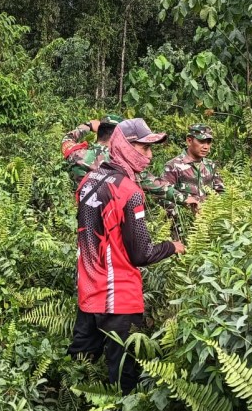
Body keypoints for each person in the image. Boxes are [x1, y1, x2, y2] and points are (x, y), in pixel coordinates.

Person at [68, 118, 186, 394]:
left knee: (78, 372)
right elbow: (142, 253)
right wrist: (173, 246)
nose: (149, 156)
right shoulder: (130, 192)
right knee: (124, 382)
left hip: (88, 293)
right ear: (124, 145)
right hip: (119, 299)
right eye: (143, 148)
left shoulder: (88, 180)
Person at [62, 115, 198, 211]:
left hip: (83, 218)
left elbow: (66, 140)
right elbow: (160, 187)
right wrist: (186, 198)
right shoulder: (123, 164)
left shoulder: (77, 155)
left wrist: (88, 125)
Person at [163, 124, 226, 206]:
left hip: (209, 216)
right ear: (189, 141)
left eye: (208, 142)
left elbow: (221, 193)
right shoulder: (173, 166)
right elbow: (165, 197)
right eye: (201, 141)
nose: (206, 147)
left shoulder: (211, 165)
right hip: (183, 217)